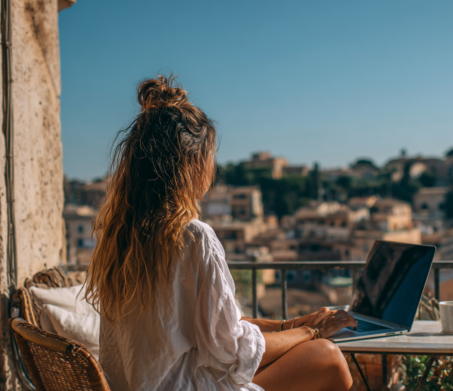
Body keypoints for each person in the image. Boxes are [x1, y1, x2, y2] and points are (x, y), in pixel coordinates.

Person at [84, 75, 356, 391]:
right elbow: (230, 349)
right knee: (326, 356)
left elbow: (215, 329)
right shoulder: (192, 236)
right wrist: (315, 332)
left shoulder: (120, 239)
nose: (214, 168)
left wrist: (294, 324)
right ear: (191, 163)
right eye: (210, 155)